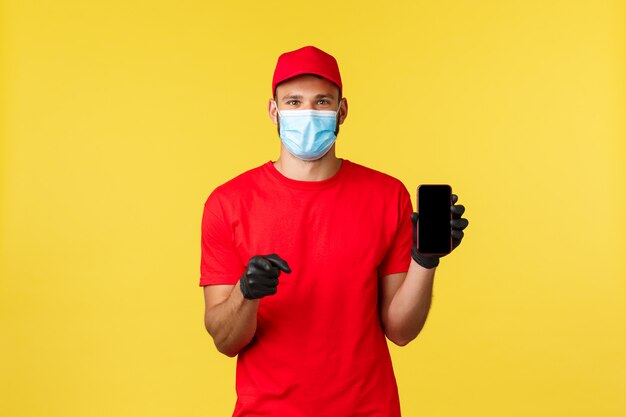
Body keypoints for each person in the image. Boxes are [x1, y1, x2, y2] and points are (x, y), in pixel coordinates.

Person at [199, 46, 469, 417]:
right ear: (273, 111)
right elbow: (225, 340)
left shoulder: (387, 196)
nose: (307, 113)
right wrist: (246, 292)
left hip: (368, 408)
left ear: (342, 111)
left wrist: (425, 259)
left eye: (321, 101)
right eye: (293, 102)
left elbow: (401, 331)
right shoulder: (227, 203)